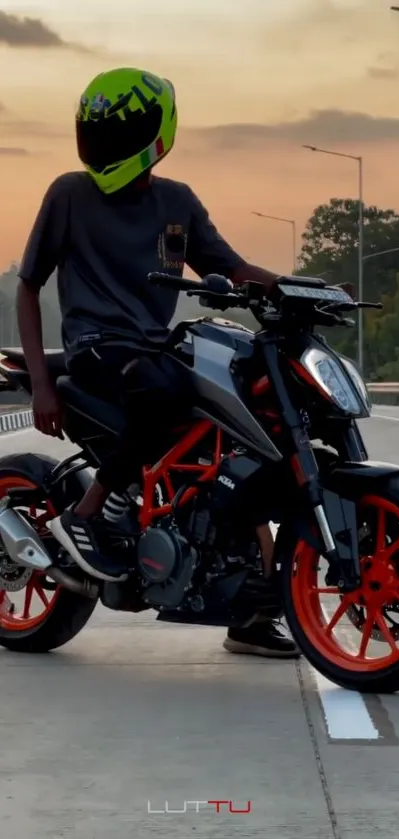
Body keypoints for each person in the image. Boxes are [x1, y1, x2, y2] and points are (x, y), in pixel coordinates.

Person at [16, 66, 299, 659]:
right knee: (166, 390)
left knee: (242, 439)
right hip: (97, 346)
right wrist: (42, 385)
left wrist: (300, 290)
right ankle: (93, 509)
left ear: (155, 132)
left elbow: (233, 266)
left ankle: (251, 611)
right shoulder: (70, 193)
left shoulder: (177, 202)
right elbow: (28, 286)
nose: (103, 142)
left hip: (150, 349)